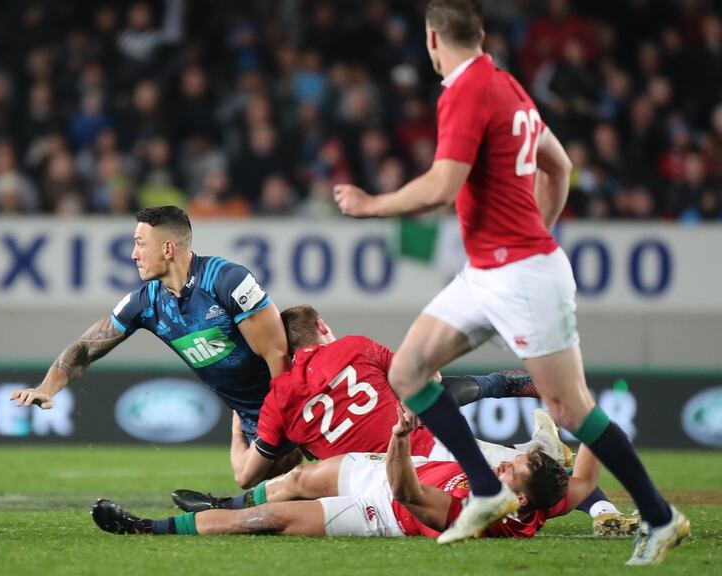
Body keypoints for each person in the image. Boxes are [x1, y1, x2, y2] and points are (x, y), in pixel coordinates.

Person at [332, 0, 686, 563]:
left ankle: (661, 517)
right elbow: (560, 166)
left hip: (521, 273)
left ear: (431, 41)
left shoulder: (465, 91)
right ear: (479, 34)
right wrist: (534, 232)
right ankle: (489, 489)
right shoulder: (507, 86)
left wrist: (372, 205)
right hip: (493, 269)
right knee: (408, 370)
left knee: (570, 411)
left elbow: (442, 187)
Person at [182, 304, 633, 535]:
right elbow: (426, 377)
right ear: (321, 328)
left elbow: (248, 471)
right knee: (539, 478)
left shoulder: (279, 397)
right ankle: (600, 505)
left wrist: (239, 419)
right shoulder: (351, 347)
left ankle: (219, 507)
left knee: (292, 479)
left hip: (366, 474)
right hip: (429, 454)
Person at [10, 206, 297, 480]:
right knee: (274, 492)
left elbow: (277, 355)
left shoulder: (227, 281)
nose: (133, 255)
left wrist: (280, 422)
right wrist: (46, 389)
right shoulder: (145, 303)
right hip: (250, 418)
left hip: (291, 403)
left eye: (139, 244)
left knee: (277, 487)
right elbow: (84, 349)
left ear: (168, 249)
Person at [92, 405, 601, 540]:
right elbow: (579, 484)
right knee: (297, 478)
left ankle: (145, 527)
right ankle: (222, 503)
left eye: (516, 469)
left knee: (271, 518)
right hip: (403, 466)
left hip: (385, 507)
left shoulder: (479, 514)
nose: (507, 462)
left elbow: (406, 494)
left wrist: (399, 440)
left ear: (521, 500)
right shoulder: (542, 498)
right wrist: (595, 422)